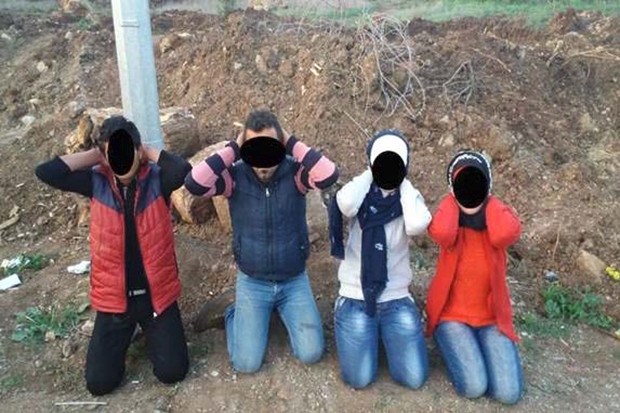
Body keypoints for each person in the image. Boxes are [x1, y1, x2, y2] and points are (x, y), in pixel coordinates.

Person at [35, 116, 191, 396]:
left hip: (156, 298)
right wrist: (96, 155)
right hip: (115, 303)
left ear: (137, 151)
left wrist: (147, 151)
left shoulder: (157, 179)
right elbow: (47, 172)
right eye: (113, 154)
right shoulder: (96, 182)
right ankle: (129, 333)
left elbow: (183, 170)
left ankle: (148, 331)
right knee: (99, 383)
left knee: (173, 372)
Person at [186, 109, 339, 373]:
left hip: (293, 281)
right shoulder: (234, 177)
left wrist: (290, 141)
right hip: (253, 282)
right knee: (246, 364)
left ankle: (276, 313)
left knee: (311, 353)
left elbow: (329, 175)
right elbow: (194, 184)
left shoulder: (295, 174)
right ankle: (234, 313)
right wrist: (234, 148)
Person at [328, 129, 431, 389]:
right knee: (360, 379)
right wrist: (370, 173)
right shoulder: (361, 194)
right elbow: (344, 203)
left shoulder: (407, 200)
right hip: (355, 296)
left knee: (413, 378)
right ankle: (373, 336)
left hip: (395, 297)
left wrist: (402, 182)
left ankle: (382, 337)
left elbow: (417, 224)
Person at [425, 150, 524, 405]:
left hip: (491, 319)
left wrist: (489, 202)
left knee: (508, 394)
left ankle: (476, 349)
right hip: (452, 317)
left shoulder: (495, 220)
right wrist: (453, 201)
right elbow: (441, 232)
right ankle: (453, 347)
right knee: (474, 387)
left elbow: (505, 233)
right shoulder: (450, 219)